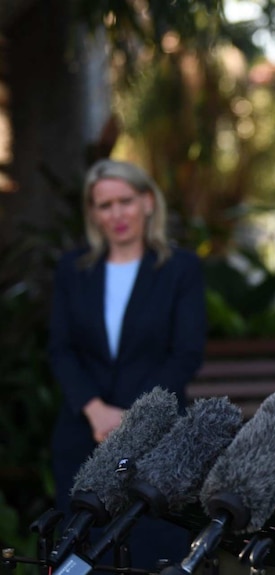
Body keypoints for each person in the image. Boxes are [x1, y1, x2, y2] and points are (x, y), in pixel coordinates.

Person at [48, 159, 207, 571]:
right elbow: (60, 350)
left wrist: (134, 416)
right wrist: (95, 409)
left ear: (148, 202)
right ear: (93, 214)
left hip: (159, 442)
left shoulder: (180, 268)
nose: (116, 214)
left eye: (125, 201)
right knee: (81, 555)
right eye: (105, 205)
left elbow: (186, 353)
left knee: (154, 554)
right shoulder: (73, 270)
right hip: (84, 435)